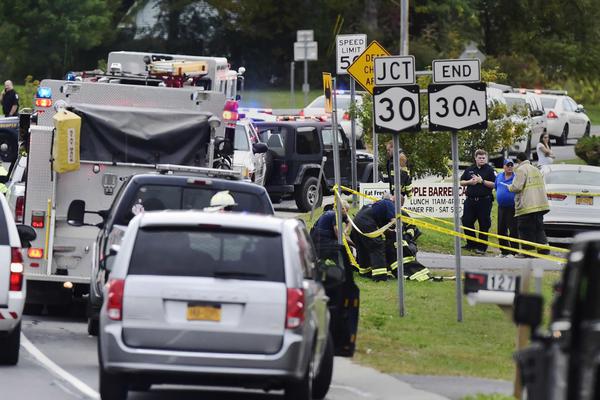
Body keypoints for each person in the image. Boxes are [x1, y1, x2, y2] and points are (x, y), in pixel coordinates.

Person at [508, 152, 550, 257]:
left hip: (527, 206)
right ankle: (543, 250)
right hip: (539, 205)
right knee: (538, 228)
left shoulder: (521, 170)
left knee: (524, 228)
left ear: (518, 160)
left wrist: (509, 187)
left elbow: (517, 187)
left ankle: (527, 252)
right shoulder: (535, 169)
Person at [459, 149, 496, 255]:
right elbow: (461, 182)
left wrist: (482, 181)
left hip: (484, 201)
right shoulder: (470, 169)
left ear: (486, 158)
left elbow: (494, 184)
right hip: (470, 201)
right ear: (475, 158)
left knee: (484, 224)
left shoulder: (489, 170)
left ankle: (482, 247)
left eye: (484, 158)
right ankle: (471, 244)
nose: (482, 159)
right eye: (479, 158)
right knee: (466, 221)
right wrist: (469, 182)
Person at [350, 198, 396, 281]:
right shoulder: (390, 205)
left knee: (363, 248)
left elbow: (383, 226)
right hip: (366, 223)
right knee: (377, 246)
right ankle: (380, 277)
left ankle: (365, 272)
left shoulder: (378, 205)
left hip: (356, 222)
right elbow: (393, 221)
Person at [494, 159, 519, 257]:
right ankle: (504, 251)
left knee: (513, 230)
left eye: (511, 165)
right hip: (501, 207)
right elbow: (496, 187)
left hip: (512, 207)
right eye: (508, 165)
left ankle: (514, 252)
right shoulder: (499, 176)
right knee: (501, 229)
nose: (509, 167)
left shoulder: (516, 177)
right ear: (504, 166)